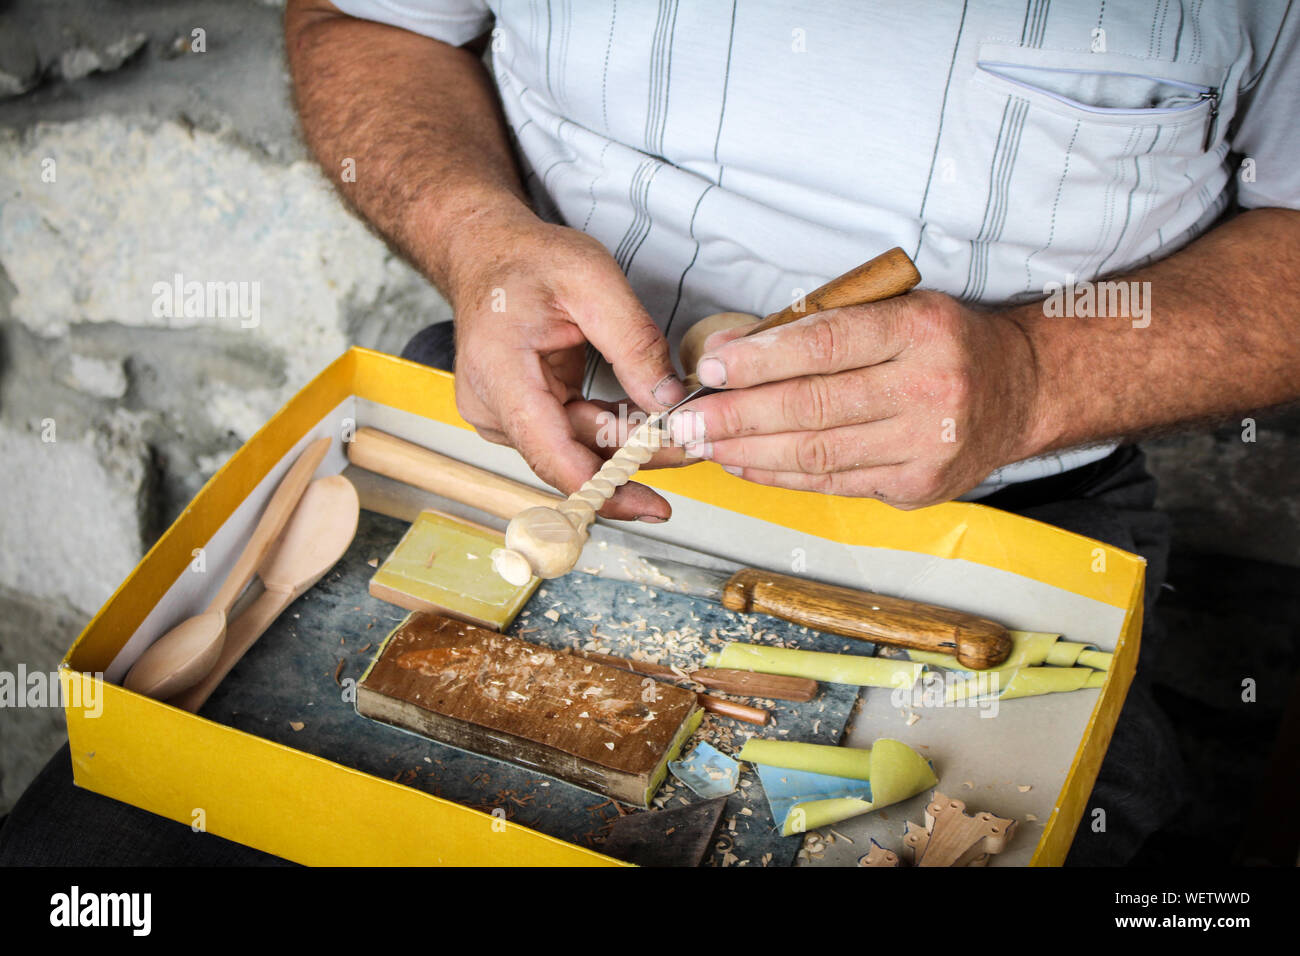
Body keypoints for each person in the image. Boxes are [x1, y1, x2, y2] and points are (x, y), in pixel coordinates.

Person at [1, 1, 1294, 866]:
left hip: (1004, 489)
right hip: (535, 406)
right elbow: (361, 21)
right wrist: (473, 233)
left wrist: (1031, 372)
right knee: (103, 849)